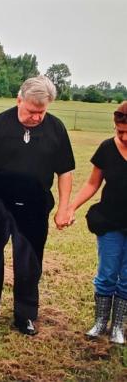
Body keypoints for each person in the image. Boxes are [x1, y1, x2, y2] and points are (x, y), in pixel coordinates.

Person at [0, 75, 75, 335]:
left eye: (41, 112)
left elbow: (66, 172)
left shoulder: (56, 129)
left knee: (29, 263)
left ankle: (25, 315)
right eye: (31, 111)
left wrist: (63, 207)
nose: (37, 117)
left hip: (34, 206)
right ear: (18, 100)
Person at [65, 102, 127, 345]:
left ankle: (118, 327)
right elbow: (92, 184)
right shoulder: (107, 148)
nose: (121, 136)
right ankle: (100, 322)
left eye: (126, 132)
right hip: (109, 222)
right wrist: (71, 206)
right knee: (107, 273)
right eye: (118, 131)